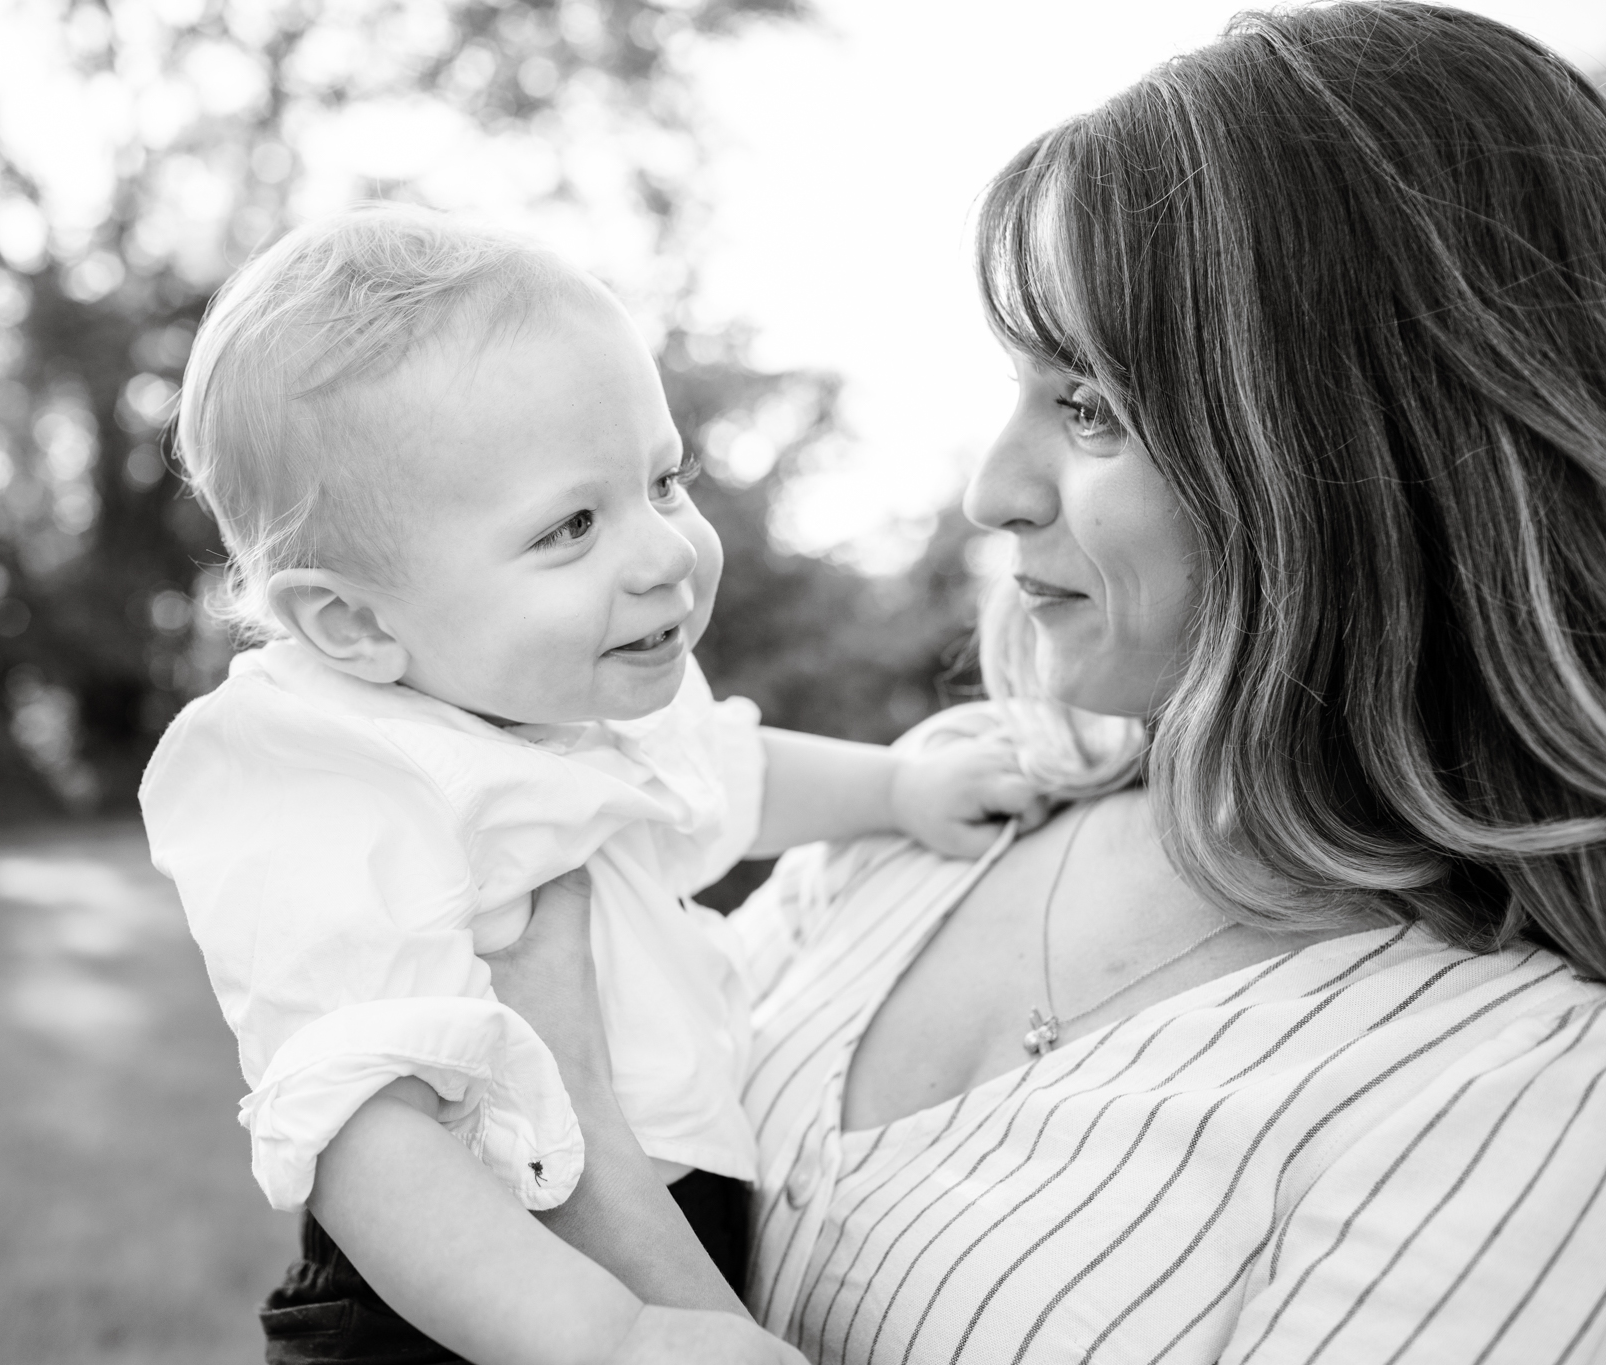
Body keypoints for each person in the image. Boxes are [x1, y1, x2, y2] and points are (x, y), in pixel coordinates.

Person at [485, 4, 1606, 1361]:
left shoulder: (1513, 1099)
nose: (991, 492)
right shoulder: (947, 808)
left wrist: (580, 1144)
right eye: (1018, 390)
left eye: (1090, 408)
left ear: (1367, 465)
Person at [138, 207, 1046, 1364]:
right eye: (571, 525)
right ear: (352, 621)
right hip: (461, 1293)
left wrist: (902, 794)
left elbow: (730, 775)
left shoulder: (586, 696)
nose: (665, 550)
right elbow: (365, 1136)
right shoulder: (333, 774)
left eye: (663, 481)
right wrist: (604, 1336)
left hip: (671, 1221)